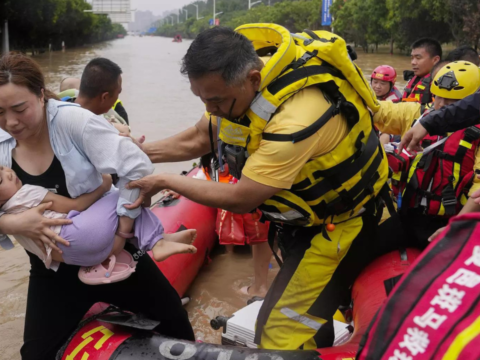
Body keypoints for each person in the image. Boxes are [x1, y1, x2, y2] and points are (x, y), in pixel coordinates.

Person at [124, 25, 389, 349]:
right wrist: (136, 152)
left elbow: (242, 197)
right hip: (300, 221)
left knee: (278, 330)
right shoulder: (239, 89)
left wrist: (163, 179)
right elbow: (199, 135)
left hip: (342, 226)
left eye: (216, 100)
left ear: (252, 79)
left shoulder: (297, 120)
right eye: (202, 99)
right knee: (304, 318)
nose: (210, 109)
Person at [0, 53, 194, 359]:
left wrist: (122, 232)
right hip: (54, 271)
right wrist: (10, 224)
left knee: (178, 328)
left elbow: (137, 166)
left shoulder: (74, 121)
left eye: (19, 109)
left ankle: (153, 241)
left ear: (40, 94)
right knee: (35, 354)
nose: (10, 122)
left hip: (116, 255)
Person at [0, 166, 197, 283]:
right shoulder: (27, 193)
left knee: (117, 208)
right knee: (126, 190)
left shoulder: (7, 212)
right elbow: (74, 205)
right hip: (78, 235)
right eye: (1, 180)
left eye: (2, 168)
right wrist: (104, 184)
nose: (8, 173)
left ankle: (161, 239)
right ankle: (157, 242)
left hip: (71, 258)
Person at [375, 61, 480, 250]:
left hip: (451, 220)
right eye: (436, 97)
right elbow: (381, 111)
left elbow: (478, 187)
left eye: (451, 103)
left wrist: (456, 226)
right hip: (408, 216)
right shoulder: (420, 114)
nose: (439, 106)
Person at [402, 38, 442, 104]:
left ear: (435, 60)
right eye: (412, 58)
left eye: (418, 58)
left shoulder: (441, 84)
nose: (413, 62)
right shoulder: (414, 79)